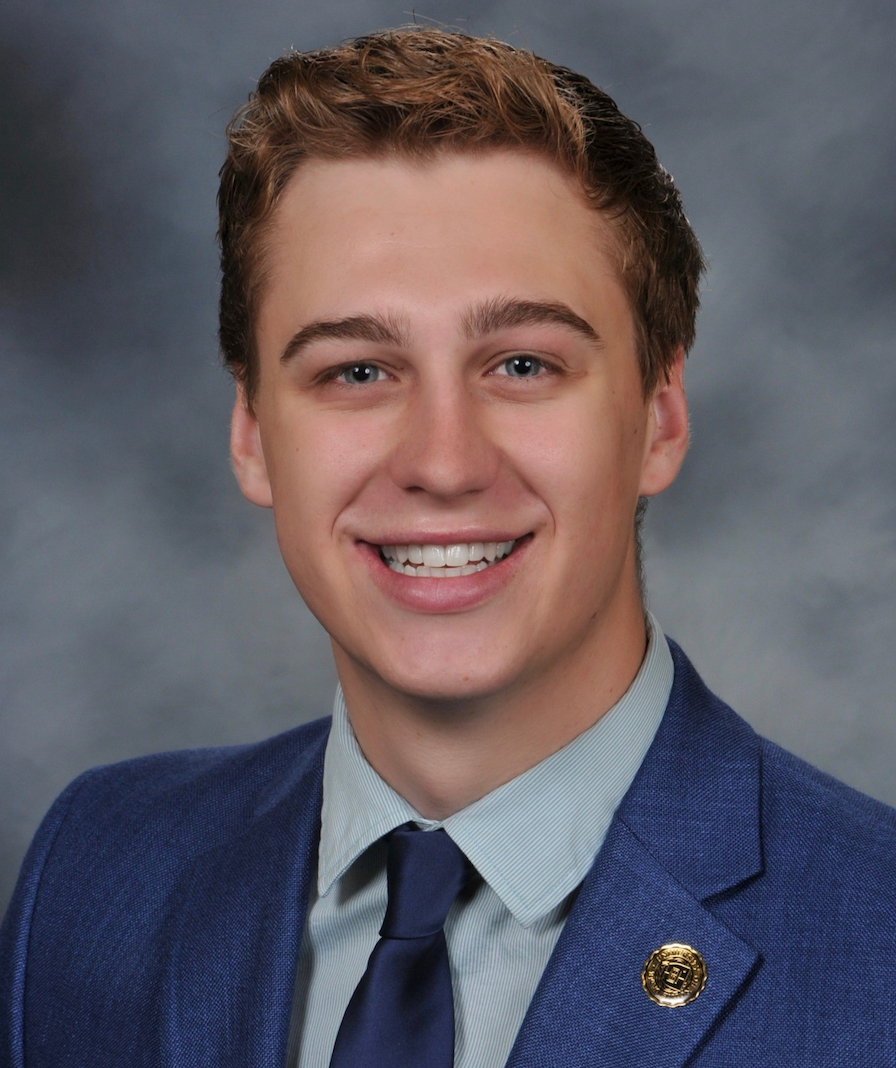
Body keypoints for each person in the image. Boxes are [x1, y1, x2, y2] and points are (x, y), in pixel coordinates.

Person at [2, 27, 895, 1068]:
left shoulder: (872, 940)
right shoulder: (97, 871)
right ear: (251, 434)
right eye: (355, 372)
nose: (442, 461)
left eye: (520, 363)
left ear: (658, 416)